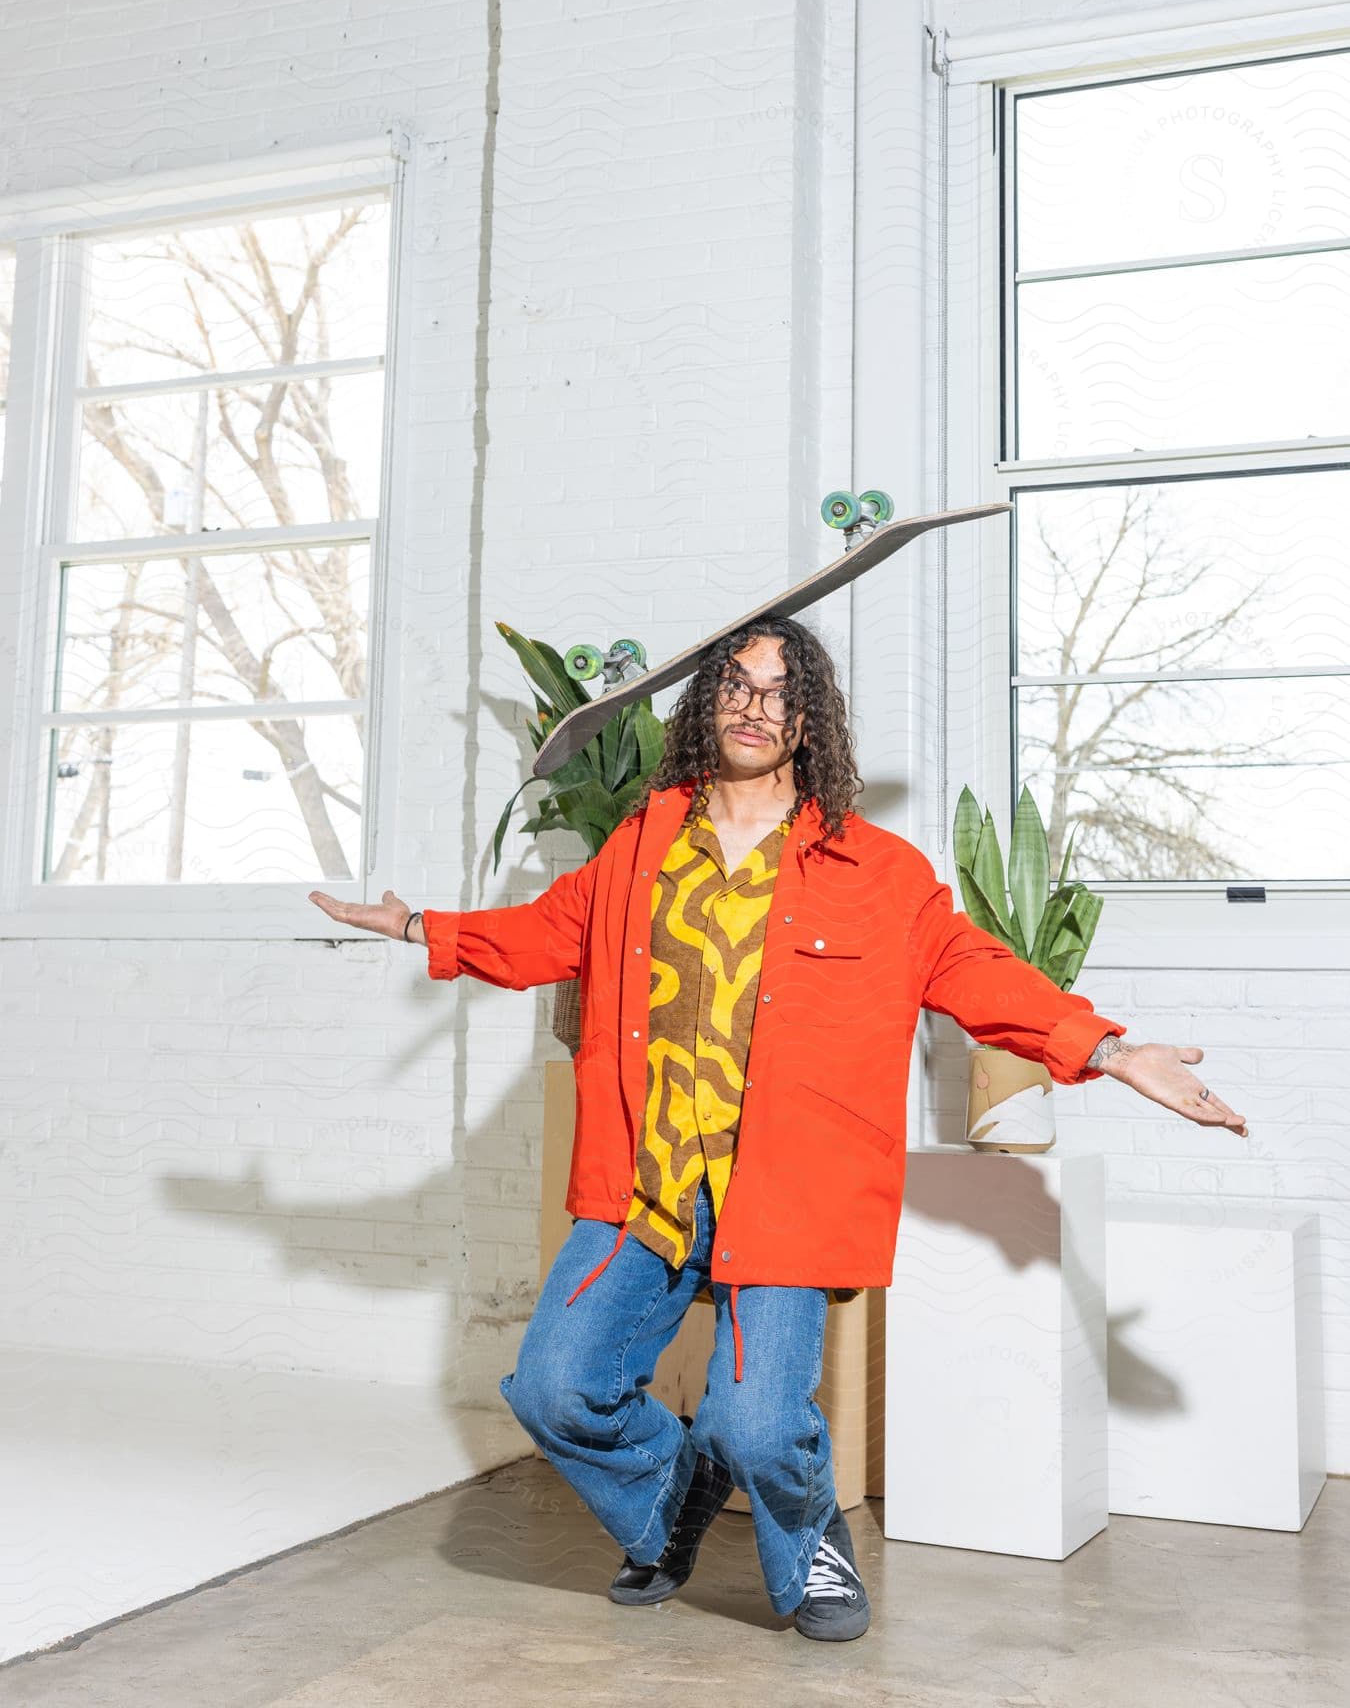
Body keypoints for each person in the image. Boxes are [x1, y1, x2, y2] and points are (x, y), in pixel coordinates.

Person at [309, 613, 1246, 1642]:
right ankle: (670, 1503)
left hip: (784, 1193)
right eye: (738, 686)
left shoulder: (876, 870)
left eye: (781, 690)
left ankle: (808, 1546)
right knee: (554, 1387)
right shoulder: (644, 840)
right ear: (707, 702)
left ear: (812, 719)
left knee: (756, 1428)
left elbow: (975, 970)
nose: (757, 707)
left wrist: (1110, 1051)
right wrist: (415, 925)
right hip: (648, 1183)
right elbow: (548, 933)